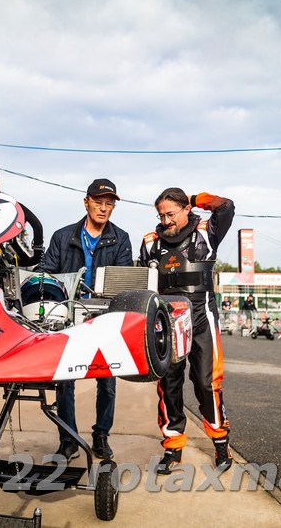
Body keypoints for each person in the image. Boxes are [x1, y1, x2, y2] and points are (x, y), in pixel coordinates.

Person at [139, 187, 235, 475]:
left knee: (206, 383)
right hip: (167, 322)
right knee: (168, 386)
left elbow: (226, 206)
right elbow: (143, 283)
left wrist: (195, 200)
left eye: (170, 213)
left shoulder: (207, 231)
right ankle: (173, 447)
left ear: (186, 211)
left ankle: (220, 442)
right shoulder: (150, 242)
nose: (165, 220)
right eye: (161, 215)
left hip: (202, 317)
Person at [44, 178, 133, 461]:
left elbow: (126, 281)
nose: (103, 209)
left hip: (105, 315)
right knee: (65, 378)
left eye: (109, 204)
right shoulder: (62, 236)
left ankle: (101, 435)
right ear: (86, 203)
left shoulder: (121, 239)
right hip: (69, 314)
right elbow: (46, 272)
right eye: (98, 202)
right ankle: (68, 439)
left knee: (107, 377)